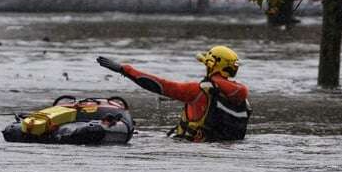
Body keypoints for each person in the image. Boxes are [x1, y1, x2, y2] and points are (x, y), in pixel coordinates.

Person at [96, 46, 251, 142]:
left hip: (192, 148)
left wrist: (125, 69)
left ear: (211, 65)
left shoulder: (198, 90)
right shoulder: (242, 99)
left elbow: (159, 85)